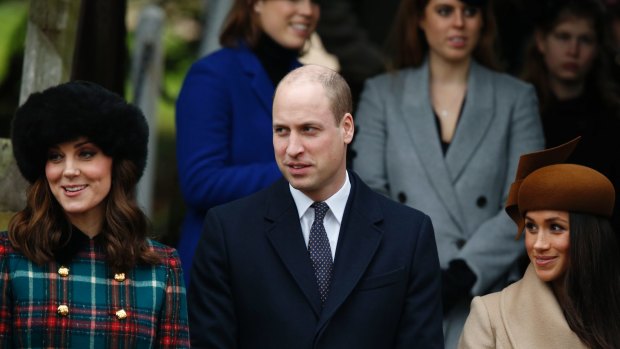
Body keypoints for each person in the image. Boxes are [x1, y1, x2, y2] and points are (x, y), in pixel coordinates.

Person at [188, 65, 444, 348]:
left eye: (308, 130)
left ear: (346, 128)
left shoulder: (408, 233)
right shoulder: (229, 231)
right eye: (281, 131)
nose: (292, 148)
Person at [352, 0, 545, 346]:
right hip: (402, 286)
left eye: (470, 11)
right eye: (444, 10)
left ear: (483, 22)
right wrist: (418, 271)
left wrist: (464, 272)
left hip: (490, 292)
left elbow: (525, 199)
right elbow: (368, 194)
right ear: (420, 20)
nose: (459, 22)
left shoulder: (517, 97)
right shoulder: (381, 94)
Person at [1, 81, 190, 348]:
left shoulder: (162, 267)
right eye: (55, 157)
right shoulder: (8, 256)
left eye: (85, 154)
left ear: (117, 163)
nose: (68, 170)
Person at [175, 0, 320, 283]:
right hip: (223, 271)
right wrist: (301, 168)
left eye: (314, 1)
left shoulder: (312, 82)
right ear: (256, 4)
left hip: (292, 271)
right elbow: (200, 183)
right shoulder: (212, 75)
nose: (307, 10)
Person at [459, 137, 620, 348]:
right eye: (531, 227)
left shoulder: (613, 313)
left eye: (555, 227)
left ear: (589, 236)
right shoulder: (490, 317)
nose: (538, 244)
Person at [521, 0, 620, 234]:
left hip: (598, 250)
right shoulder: (519, 111)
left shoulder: (611, 120)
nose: (573, 50)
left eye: (585, 40)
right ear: (541, 41)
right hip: (531, 247)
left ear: (597, 49)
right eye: (563, 36)